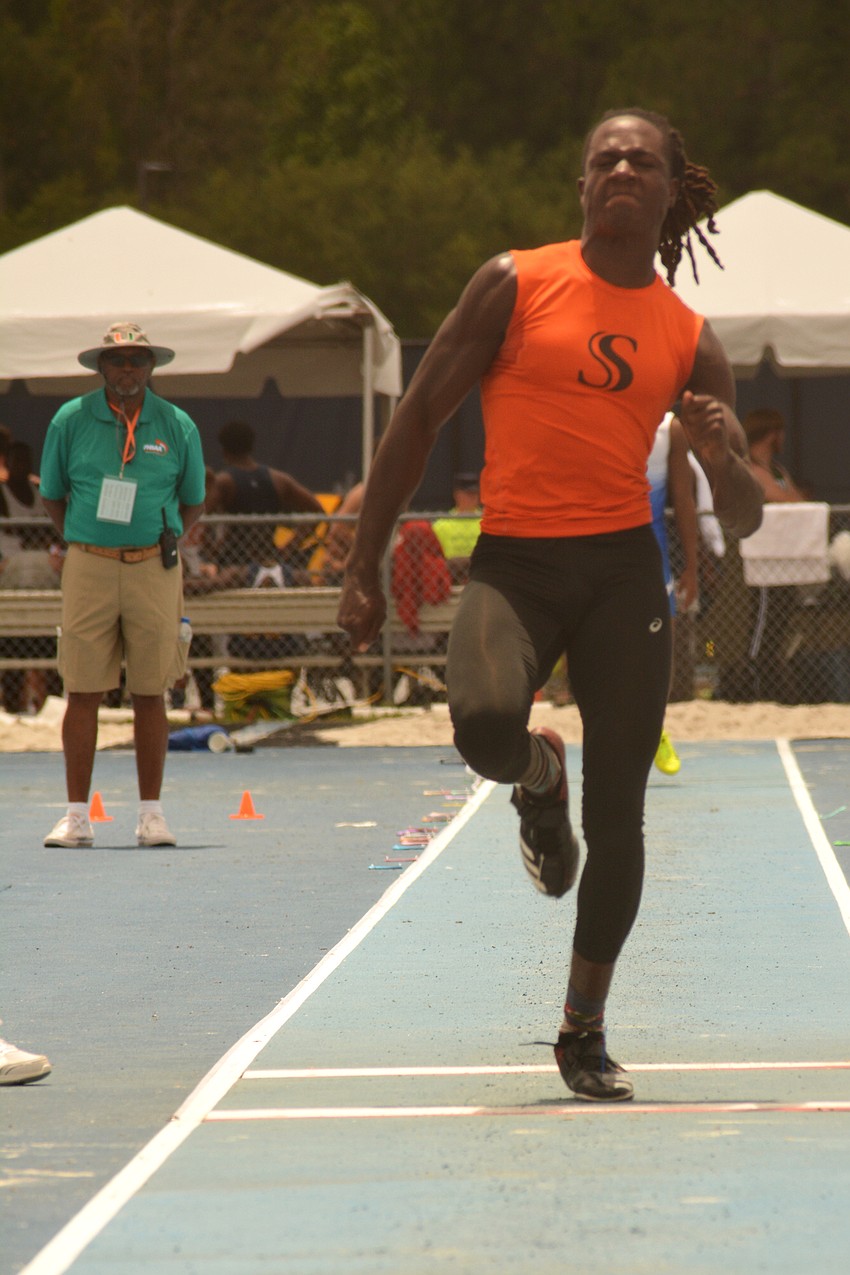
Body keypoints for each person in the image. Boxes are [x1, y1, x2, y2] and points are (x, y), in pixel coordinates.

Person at [338, 107, 763, 1103]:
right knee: (483, 728)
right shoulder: (514, 281)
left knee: (622, 821)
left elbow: (737, 517)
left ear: (669, 191)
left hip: (621, 574)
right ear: (581, 186)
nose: (619, 168)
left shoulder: (691, 340)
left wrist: (722, 456)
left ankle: (582, 1028)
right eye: (602, 158)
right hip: (517, 561)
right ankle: (537, 775)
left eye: (639, 160)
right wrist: (362, 561)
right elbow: (418, 416)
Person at [39, 322, 206, 848]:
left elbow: (194, 499)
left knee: (151, 689)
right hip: (88, 562)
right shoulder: (70, 418)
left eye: (137, 360)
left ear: (152, 366)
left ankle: (151, 815)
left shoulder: (177, 424)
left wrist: (162, 536)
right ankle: (75, 816)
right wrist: (81, 538)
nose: (127, 370)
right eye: (117, 361)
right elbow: (52, 493)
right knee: (82, 687)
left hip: (153, 565)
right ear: (100, 367)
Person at [647, 412, 699, 774]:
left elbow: (683, 499)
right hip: (598, 548)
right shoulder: (596, 405)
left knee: (661, 646)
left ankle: (654, 728)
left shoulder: (670, 428)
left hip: (652, 552)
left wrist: (692, 567)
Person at [214, 420, 324, 577]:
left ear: (223, 450)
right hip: (266, 559)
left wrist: (210, 550)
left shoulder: (224, 482)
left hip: (236, 562)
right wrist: (289, 548)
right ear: (252, 446)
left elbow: (199, 511)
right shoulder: (278, 479)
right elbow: (317, 510)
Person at [743, 408, 809, 503]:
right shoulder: (750, 469)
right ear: (771, 434)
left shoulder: (777, 471)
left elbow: (796, 499)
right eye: (781, 432)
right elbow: (785, 499)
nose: (783, 438)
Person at [433, 473, 483, 583]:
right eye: (468, 494)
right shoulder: (442, 525)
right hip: (450, 574)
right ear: (457, 495)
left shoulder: (485, 522)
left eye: (475, 494)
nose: (472, 498)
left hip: (478, 572)